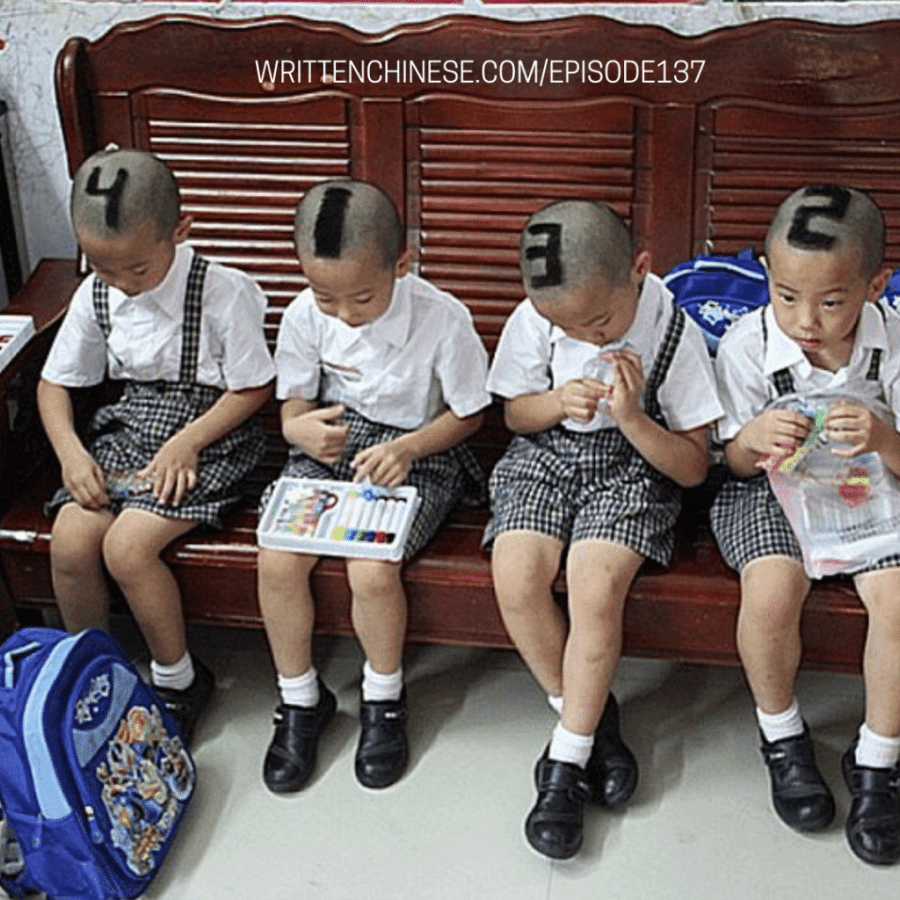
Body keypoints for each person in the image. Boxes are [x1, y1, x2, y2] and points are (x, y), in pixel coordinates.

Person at [483, 199, 723, 859]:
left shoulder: (672, 331)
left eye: (599, 323)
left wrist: (634, 418)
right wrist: (555, 402)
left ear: (639, 270)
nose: (588, 339)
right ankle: (590, 720)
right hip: (545, 457)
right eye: (567, 328)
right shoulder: (539, 316)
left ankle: (564, 763)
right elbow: (516, 417)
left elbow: (693, 466)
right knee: (516, 575)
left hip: (634, 470)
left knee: (593, 587)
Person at [257, 179, 490, 793]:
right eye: (325, 296)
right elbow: (294, 405)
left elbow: (469, 413)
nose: (344, 313)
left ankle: (383, 697)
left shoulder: (443, 319)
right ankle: (300, 698)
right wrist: (299, 429)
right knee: (277, 558)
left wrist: (407, 449)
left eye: (361, 297)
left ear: (402, 263)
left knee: (371, 567)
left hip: (419, 451)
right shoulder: (305, 315)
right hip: (331, 444)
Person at [38, 148, 275, 746]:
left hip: (210, 431)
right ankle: (96, 675)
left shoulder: (221, 292)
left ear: (181, 229)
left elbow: (254, 386)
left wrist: (187, 442)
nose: (122, 284)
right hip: (131, 426)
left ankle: (179, 678)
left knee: (127, 547)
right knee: (71, 539)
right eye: (103, 268)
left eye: (138, 269)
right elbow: (53, 385)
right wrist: (71, 454)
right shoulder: (96, 294)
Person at [711, 184, 900, 866]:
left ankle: (877, 758)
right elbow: (730, 461)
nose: (806, 321)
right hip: (769, 487)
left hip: (867, 484)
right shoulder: (748, 345)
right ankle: (783, 734)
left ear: (875, 285)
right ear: (766, 273)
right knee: (769, 595)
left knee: (898, 603)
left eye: (832, 302)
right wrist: (752, 439)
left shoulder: (893, 343)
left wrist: (882, 437)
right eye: (787, 296)